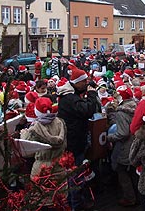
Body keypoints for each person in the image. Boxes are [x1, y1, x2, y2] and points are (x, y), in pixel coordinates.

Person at [57, 65, 99, 210]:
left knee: (76, 175)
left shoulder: (70, 94)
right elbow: (87, 110)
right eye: (85, 81)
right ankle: (75, 205)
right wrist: (92, 95)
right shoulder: (69, 98)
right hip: (74, 143)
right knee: (75, 177)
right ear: (77, 82)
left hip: (75, 140)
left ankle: (76, 202)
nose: (87, 84)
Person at [107, 84, 138, 207]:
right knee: (133, 171)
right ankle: (138, 195)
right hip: (136, 143)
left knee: (122, 170)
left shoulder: (121, 113)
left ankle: (129, 197)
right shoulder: (136, 106)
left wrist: (109, 138)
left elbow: (123, 133)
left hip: (126, 145)